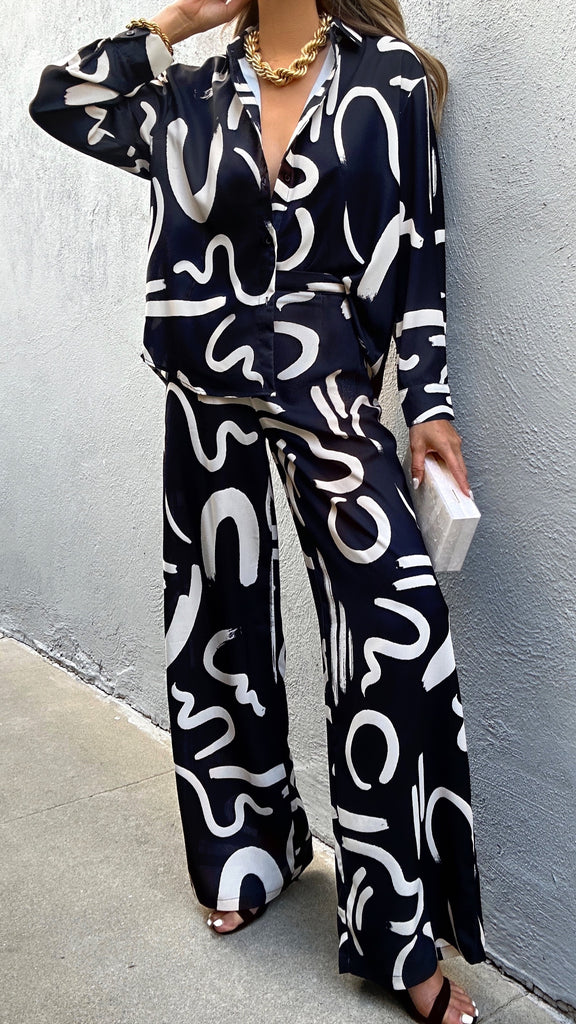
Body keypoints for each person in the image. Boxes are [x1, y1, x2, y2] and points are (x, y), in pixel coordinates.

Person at [29, 1, 487, 1021]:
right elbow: (62, 101)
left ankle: (396, 929)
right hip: (205, 386)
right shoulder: (190, 90)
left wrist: (430, 405)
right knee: (218, 623)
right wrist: (180, 20)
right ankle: (247, 846)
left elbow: (420, 256)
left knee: (399, 626)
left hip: (329, 389)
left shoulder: (390, 80)